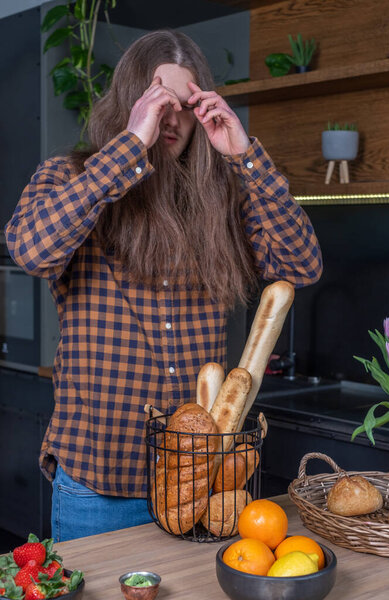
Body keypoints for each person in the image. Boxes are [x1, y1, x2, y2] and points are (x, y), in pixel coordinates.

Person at [5, 30, 322, 542]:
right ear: (132, 100)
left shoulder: (223, 199)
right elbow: (31, 248)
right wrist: (128, 146)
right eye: (160, 99)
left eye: (186, 104)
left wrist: (245, 157)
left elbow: (301, 265)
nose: (172, 118)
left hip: (200, 490)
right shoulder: (72, 175)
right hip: (99, 487)